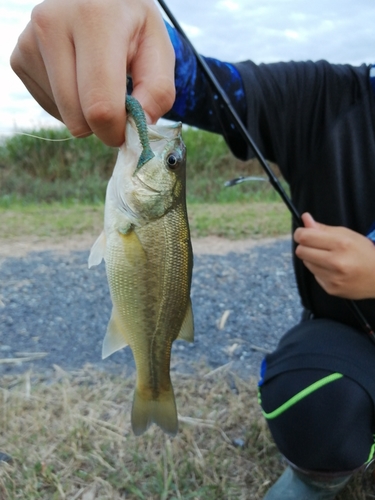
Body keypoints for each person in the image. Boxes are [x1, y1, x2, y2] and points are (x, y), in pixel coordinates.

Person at [11, 1, 375, 498]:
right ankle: (319, 475)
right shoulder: (325, 96)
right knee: (314, 400)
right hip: (349, 339)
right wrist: (133, 36)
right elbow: (200, 85)